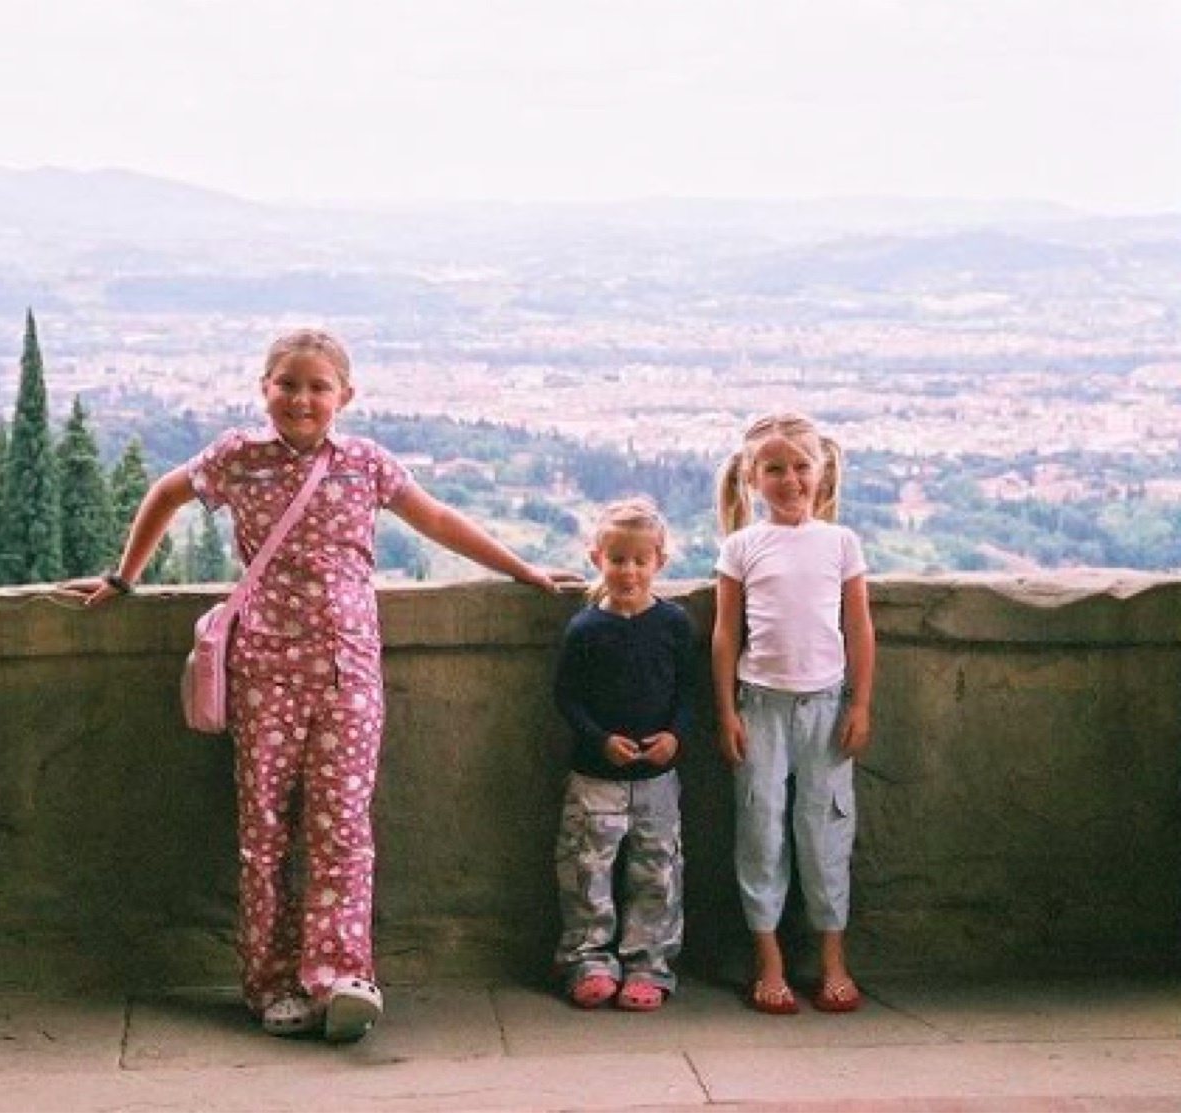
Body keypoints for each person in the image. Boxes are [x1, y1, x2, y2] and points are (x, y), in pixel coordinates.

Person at [60, 328, 576, 1042]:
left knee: (342, 823)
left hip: (348, 669)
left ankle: (337, 977)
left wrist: (524, 570)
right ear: (263, 387)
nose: (301, 399)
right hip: (265, 666)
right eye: (288, 384)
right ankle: (269, 983)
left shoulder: (365, 463)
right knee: (264, 829)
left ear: (345, 395)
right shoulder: (237, 457)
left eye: (317, 386)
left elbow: (438, 519)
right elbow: (166, 491)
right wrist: (125, 576)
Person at [711, 413, 875, 1016]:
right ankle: (770, 961)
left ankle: (833, 960)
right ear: (751, 477)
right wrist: (726, 710)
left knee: (826, 830)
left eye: (801, 466)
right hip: (760, 707)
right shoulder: (741, 547)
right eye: (774, 469)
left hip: (827, 709)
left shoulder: (841, 543)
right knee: (761, 832)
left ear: (822, 470)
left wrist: (860, 702)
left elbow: (858, 627)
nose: (790, 479)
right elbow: (726, 636)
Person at [552, 497, 696, 1012]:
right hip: (595, 776)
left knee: (656, 870)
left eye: (640, 560)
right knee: (588, 868)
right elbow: (566, 697)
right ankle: (587, 960)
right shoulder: (586, 629)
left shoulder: (674, 625)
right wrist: (598, 740)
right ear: (598, 560)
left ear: (660, 561)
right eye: (618, 560)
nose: (629, 571)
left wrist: (675, 738)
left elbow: (688, 692)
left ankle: (648, 963)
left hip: (658, 777)